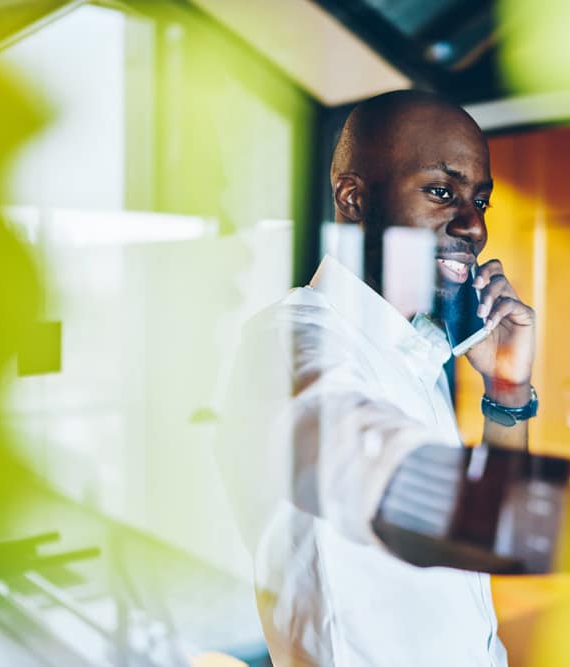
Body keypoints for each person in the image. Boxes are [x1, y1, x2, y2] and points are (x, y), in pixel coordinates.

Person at [216, 90, 537, 666]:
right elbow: (370, 464)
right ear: (354, 197)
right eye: (442, 192)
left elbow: (483, 539)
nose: (473, 226)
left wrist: (506, 392)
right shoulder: (291, 345)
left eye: (480, 201)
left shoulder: (418, 348)